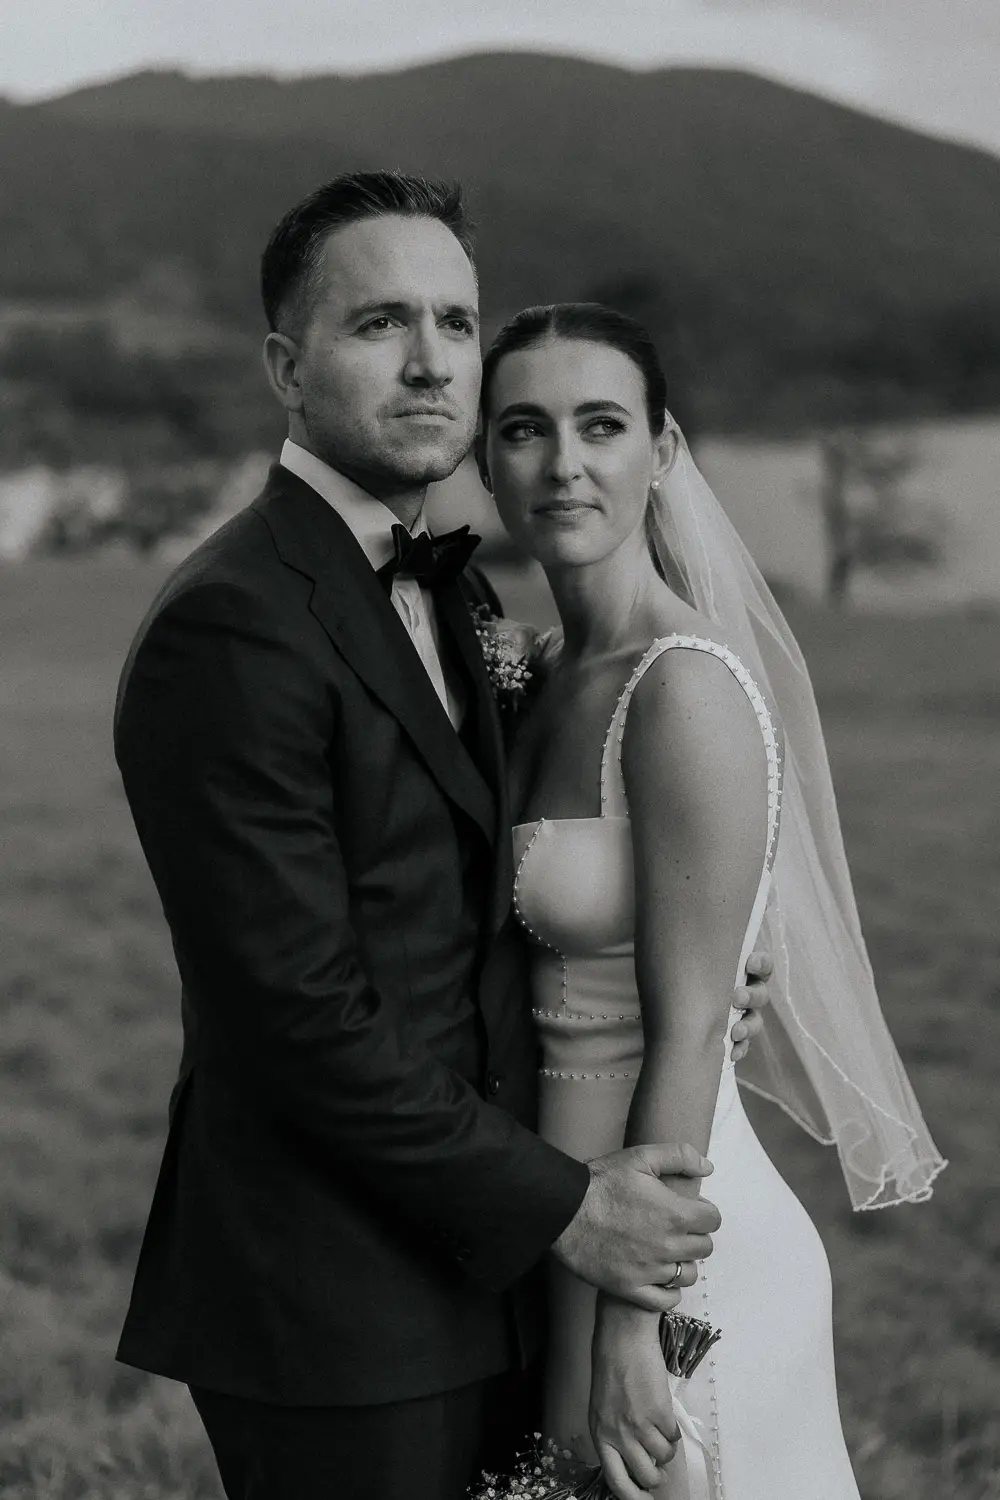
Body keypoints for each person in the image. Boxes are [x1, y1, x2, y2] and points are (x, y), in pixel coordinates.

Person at [111, 175, 775, 1500]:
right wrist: (569, 1209)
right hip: (336, 1306)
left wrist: (682, 974)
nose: (430, 362)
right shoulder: (233, 624)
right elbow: (294, 1017)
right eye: (379, 325)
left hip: (500, 1276)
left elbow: (502, 879)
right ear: (285, 369)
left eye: (456, 323)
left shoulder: (456, 595)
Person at [477, 302, 946, 1500]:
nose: (563, 463)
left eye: (601, 425)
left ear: (664, 451)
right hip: (563, 1216)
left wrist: (640, 1325)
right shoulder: (534, 674)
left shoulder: (681, 687)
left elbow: (689, 1029)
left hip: (675, 1253)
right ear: (486, 458)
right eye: (525, 428)